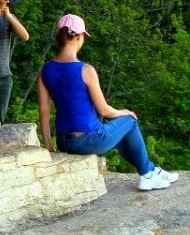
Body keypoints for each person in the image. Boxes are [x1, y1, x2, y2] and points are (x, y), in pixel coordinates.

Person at [36, 14, 178, 191]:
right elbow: (104, 110)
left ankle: (150, 170)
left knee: (119, 133)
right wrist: (124, 112)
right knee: (130, 123)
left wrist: (49, 145)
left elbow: (43, 111)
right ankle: (148, 174)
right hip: (87, 139)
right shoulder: (85, 70)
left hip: (64, 142)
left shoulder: (45, 70)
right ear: (79, 37)